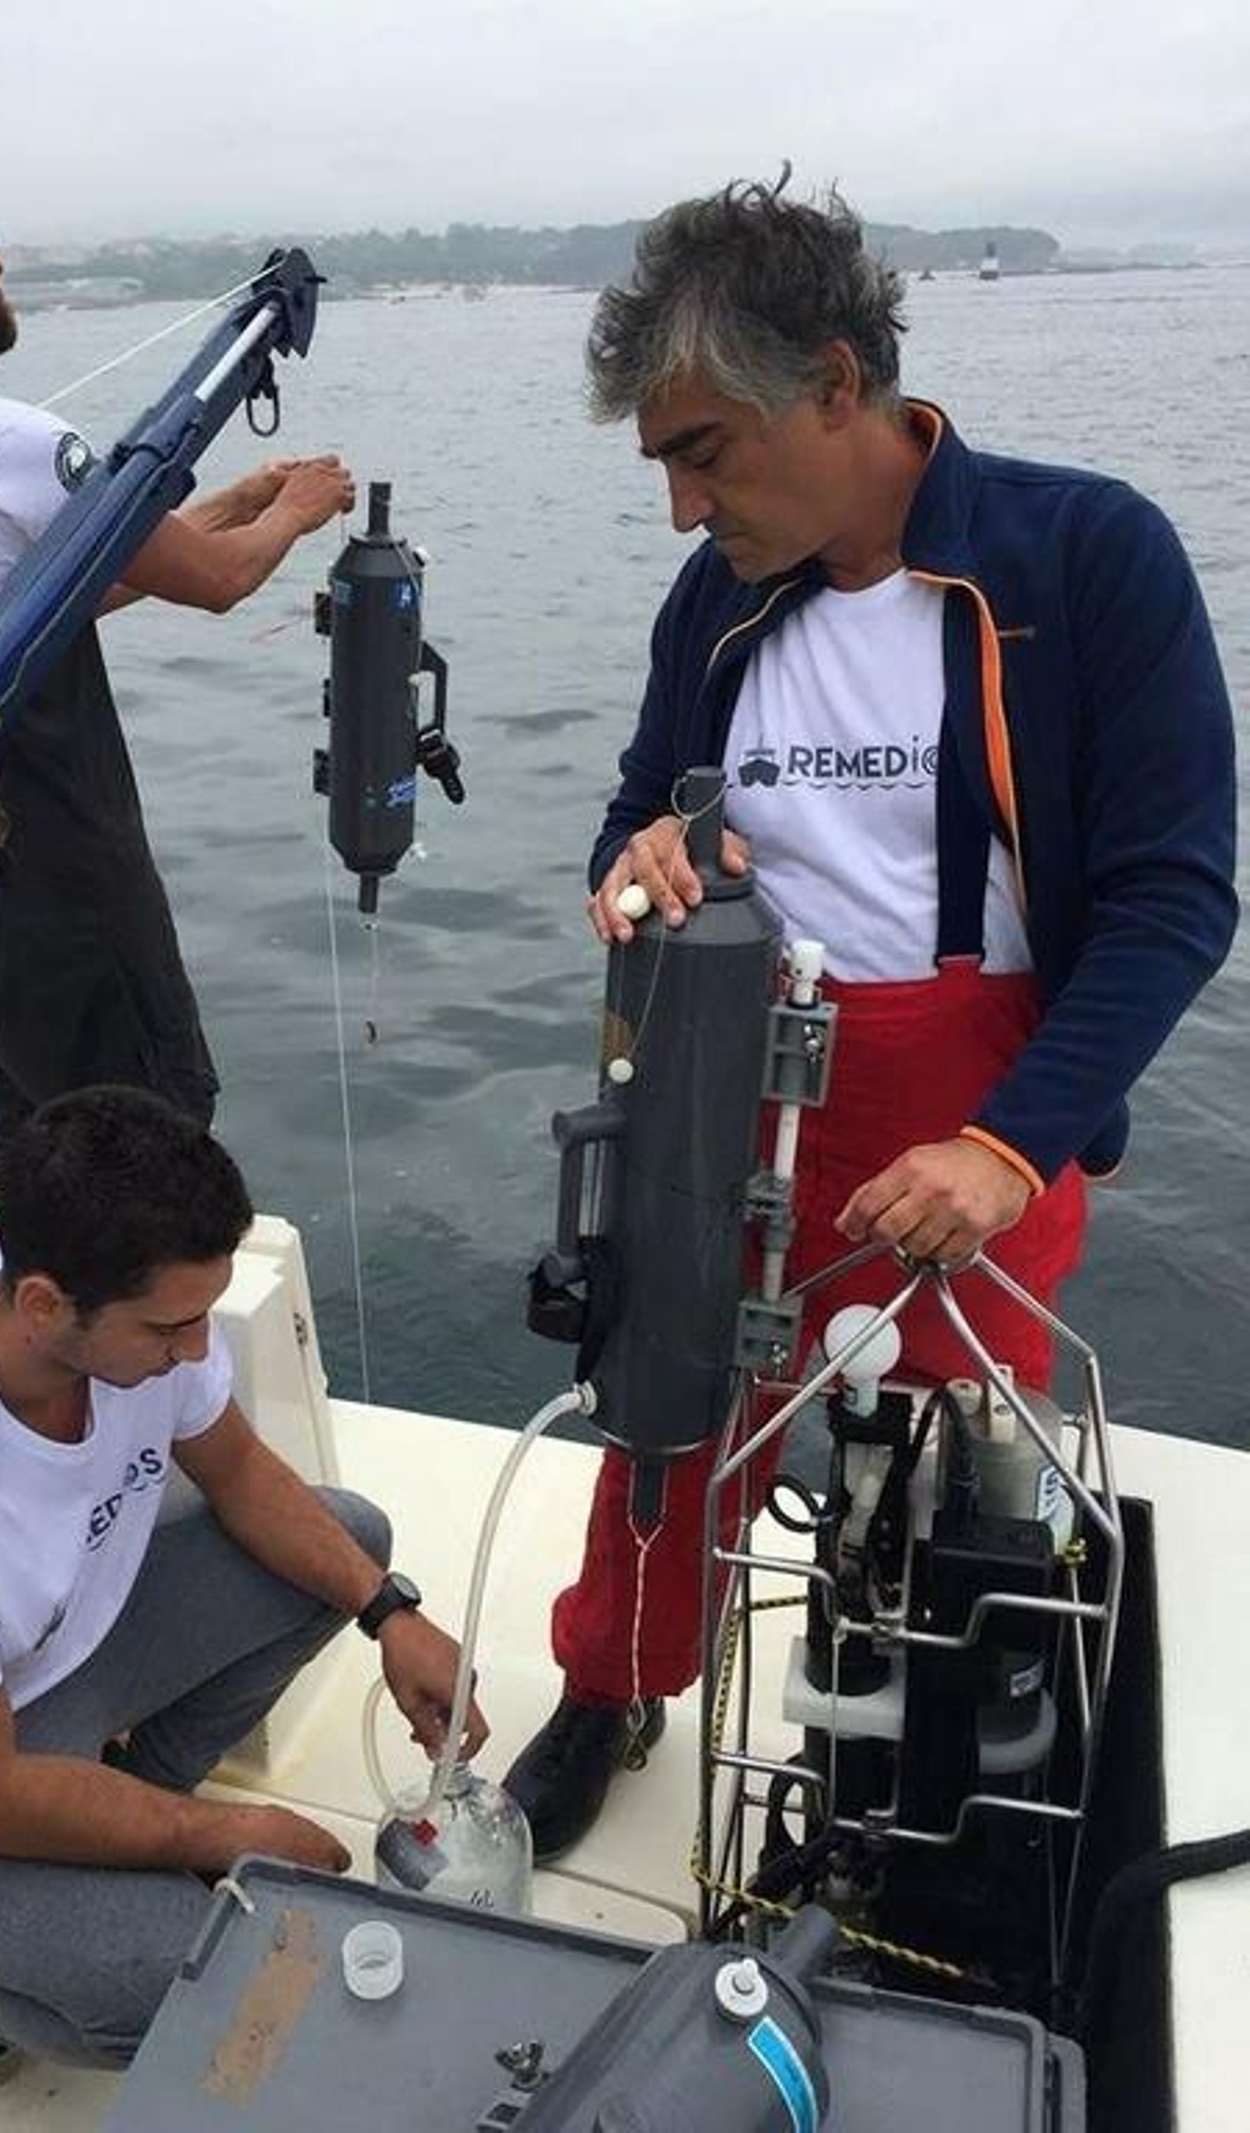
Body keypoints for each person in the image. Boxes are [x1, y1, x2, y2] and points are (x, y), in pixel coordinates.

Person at [504, 177, 1238, 1860]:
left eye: (708, 450)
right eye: (664, 467)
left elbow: (1174, 896)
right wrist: (644, 863)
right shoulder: (717, 600)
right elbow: (625, 822)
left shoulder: (1087, 554)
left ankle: (915, 1764)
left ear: (838, 386)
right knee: (662, 1412)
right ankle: (613, 1683)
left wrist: (1003, 1146)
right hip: (720, 1088)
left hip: (970, 1106)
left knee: (942, 1467)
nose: (686, 503)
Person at [0, 1085, 482, 2083]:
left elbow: (244, 1474)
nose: (197, 1351)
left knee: (347, 1544)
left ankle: (128, 1802)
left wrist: (391, 1615)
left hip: (35, 1661)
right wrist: (227, 1835)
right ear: (43, 1303)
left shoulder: (126, 1326)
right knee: (195, 1998)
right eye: (170, 1330)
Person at [0, 136, 354, 1142]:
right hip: (76, 900)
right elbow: (221, 585)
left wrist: (235, 497)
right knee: (150, 1153)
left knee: (45, 1168)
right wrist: (301, 510)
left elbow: (51, 599)